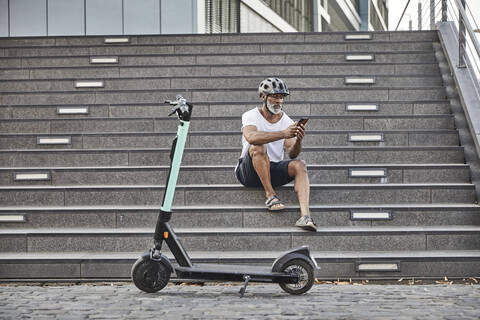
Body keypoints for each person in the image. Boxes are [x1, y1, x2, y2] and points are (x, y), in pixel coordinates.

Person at [235, 77, 317, 231]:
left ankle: (305, 216)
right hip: (248, 172)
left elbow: (292, 154)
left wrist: (298, 140)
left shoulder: (286, 121)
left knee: (300, 165)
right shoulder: (250, 115)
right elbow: (251, 137)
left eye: (281, 97)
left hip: (271, 170)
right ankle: (270, 195)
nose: (278, 101)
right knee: (258, 146)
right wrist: (283, 133)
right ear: (263, 97)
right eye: (274, 96)